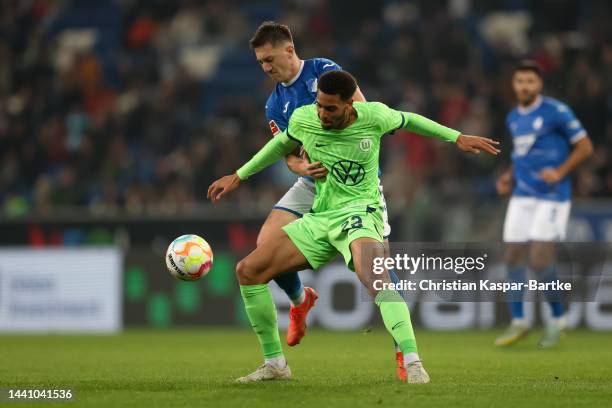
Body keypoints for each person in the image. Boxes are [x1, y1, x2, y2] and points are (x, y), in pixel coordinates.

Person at [208, 70, 500, 383]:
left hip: (362, 213)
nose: (322, 113)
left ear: (350, 105)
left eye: (330, 108)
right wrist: (239, 175)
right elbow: (280, 146)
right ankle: (276, 364)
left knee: (377, 279)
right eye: (319, 105)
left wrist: (456, 137)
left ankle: (412, 360)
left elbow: (412, 120)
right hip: (322, 216)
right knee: (248, 270)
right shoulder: (304, 118)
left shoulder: (374, 116)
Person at [249, 21, 407, 380]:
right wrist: (301, 165)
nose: (266, 67)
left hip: (354, 186)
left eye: (269, 58)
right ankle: (299, 302)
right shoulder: (274, 104)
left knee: (376, 269)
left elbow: (362, 111)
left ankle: (403, 350)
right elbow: (286, 155)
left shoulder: (324, 71)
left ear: (289, 50)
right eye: (260, 62)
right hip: (313, 182)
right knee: (265, 247)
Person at [494, 60, 593, 348]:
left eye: (530, 81)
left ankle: (558, 320)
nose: (524, 86)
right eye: (520, 81)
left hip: (552, 196)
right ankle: (519, 322)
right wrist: (508, 177)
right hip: (522, 196)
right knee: (512, 256)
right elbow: (521, 154)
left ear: (539, 85)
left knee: (539, 261)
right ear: (514, 85)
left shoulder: (556, 112)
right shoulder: (513, 117)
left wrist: (560, 172)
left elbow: (585, 146)